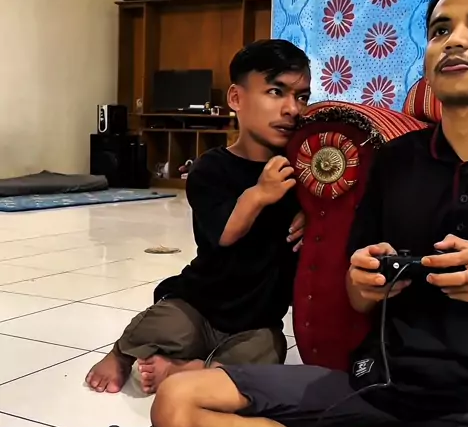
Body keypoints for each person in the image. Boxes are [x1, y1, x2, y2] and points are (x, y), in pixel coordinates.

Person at [150, 0, 468, 427]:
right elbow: (356, 296)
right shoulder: (395, 161)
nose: (455, 40)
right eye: (441, 29)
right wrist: (365, 283)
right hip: (378, 386)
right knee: (178, 403)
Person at [86, 39, 311, 395]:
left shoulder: (300, 172)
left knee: (267, 351)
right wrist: (258, 194)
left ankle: (187, 369)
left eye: (302, 97)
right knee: (165, 324)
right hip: (200, 306)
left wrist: (311, 215)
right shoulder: (211, 168)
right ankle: (120, 353)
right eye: (275, 91)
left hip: (256, 321)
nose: (292, 109)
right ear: (236, 98)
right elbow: (225, 234)